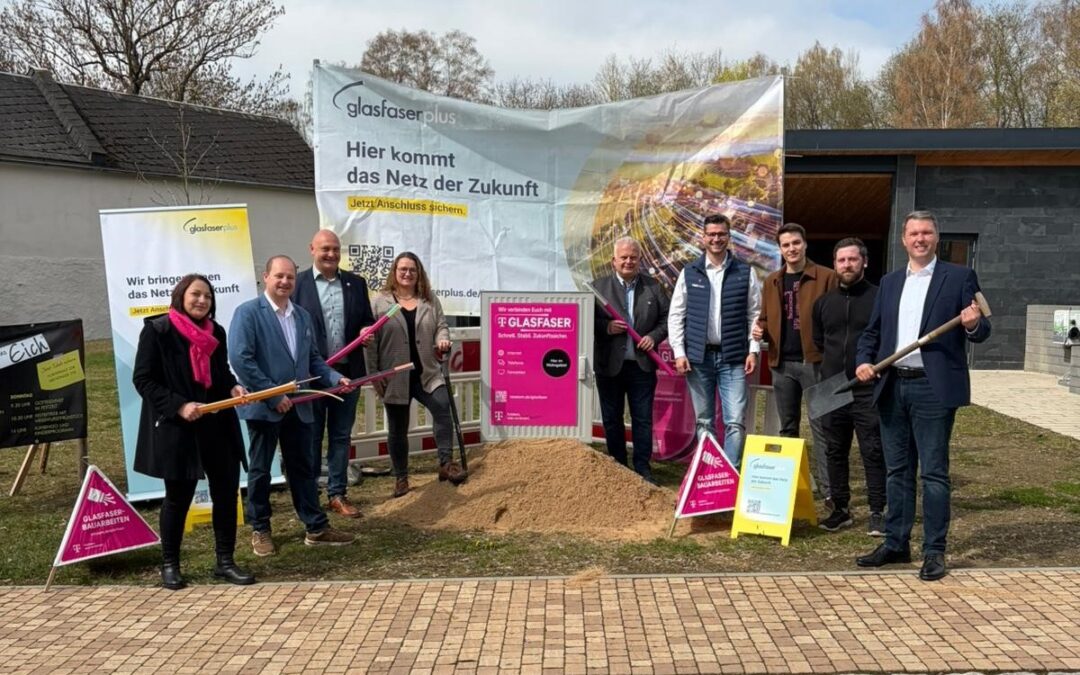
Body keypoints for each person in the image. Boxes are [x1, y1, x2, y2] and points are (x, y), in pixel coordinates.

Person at [855, 210, 990, 581]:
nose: (920, 239)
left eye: (926, 233)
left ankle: (935, 551)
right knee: (897, 471)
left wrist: (974, 323)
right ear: (904, 239)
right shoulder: (890, 282)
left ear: (936, 237)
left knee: (933, 473)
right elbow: (873, 332)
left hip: (933, 387)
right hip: (892, 383)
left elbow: (982, 327)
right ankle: (897, 543)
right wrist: (863, 361)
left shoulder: (959, 277)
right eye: (913, 233)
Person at [228, 255, 356, 557]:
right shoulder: (247, 314)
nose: (285, 282)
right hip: (265, 409)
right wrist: (273, 395)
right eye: (279, 276)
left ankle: (315, 526)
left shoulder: (301, 316)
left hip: (299, 407)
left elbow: (312, 359)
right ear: (266, 277)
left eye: (290, 277)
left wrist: (335, 377)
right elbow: (241, 360)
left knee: (303, 468)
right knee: (261, 470)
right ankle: (260, 528)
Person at [133, 274, 255, 590]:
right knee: (178, 497)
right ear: (181, 296)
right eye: (196, 295)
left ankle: (225, 562)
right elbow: (143, 380)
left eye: (207, 297)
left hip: (217, 424)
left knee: (227, 494)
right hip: (179, 427)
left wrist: (233, 385)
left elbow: (220, 372)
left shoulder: (217, 332)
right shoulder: (158, 331)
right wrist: (179, 405)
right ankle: (170, 565)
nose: (202, 301)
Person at [364, 252, 464, 497]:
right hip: (395, 376)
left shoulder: (429, 300)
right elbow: (370, 342)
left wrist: (442, 340)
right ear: (394, 272)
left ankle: (445, 463)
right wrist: (375, 375)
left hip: (427, 373)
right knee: (397, 428)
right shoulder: (380, 302)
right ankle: (401, 478)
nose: (407, 274)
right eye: (402, 269)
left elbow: (442, 325)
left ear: (418, 273)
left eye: (412, 269)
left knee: (442, 409)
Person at [292, 229, 375, 519]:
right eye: (325, 248)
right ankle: (310, 495)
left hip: (347, 373)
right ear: (312, 249)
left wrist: (366, 330)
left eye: (336, 249)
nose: (331, 254)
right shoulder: (297, 284)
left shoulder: (355, 283)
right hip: (312, 375)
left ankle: (337, 494)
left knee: (341, 435)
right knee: (312, 435)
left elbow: (366, 318)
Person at [752, 222, 837, 505]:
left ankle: (829, 492)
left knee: (822, 428)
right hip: (782, 365)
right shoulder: (772, 281)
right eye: (786, 245)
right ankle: (786, 490)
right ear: (780, 249)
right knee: (787, 429)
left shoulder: (826, 277)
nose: (792, 248)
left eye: (796, 243)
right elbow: (765, 318)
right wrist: (759, 329)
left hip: (816, 364)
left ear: (805, 244)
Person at [668, 214, 762, 470]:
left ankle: (730, 476)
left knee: (735, 421)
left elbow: (755, 315)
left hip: (733, 358)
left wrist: (753, 351)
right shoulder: (689, 272)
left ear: (729, 237)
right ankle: (708, 474)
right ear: (703, 238)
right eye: (711, 234)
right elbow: (676, 315)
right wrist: (679, 352)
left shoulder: (745, 272)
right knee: (704, 421)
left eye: (721, 234)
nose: (716, 238)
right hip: (699, 358)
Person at [811, 238, 887, 535]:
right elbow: (820, 342)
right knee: (834, 450)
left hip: (868, 387)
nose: (847, 265)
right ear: (835, 264)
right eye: (841, 260)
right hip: (833, 387)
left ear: (864, 262)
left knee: (872, 449)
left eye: (853, 260)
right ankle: (840, 509)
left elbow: (886, 339)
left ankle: (878, 510)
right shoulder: (823, 304)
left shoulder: (879, 298)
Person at [592, 237, 670, 483]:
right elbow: (586, 320)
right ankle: (617, 466)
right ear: (613, 261)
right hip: (609, 366)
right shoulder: (597, 288)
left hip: (641, 366)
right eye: (623, 257)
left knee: (642, 418)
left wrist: (653, 337)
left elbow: (668, 319)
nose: (628, 261)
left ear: (639, 260)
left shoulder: (654, 287)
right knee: (612, 419)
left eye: (633, 257)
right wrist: (606, 327)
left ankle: (642, 469)